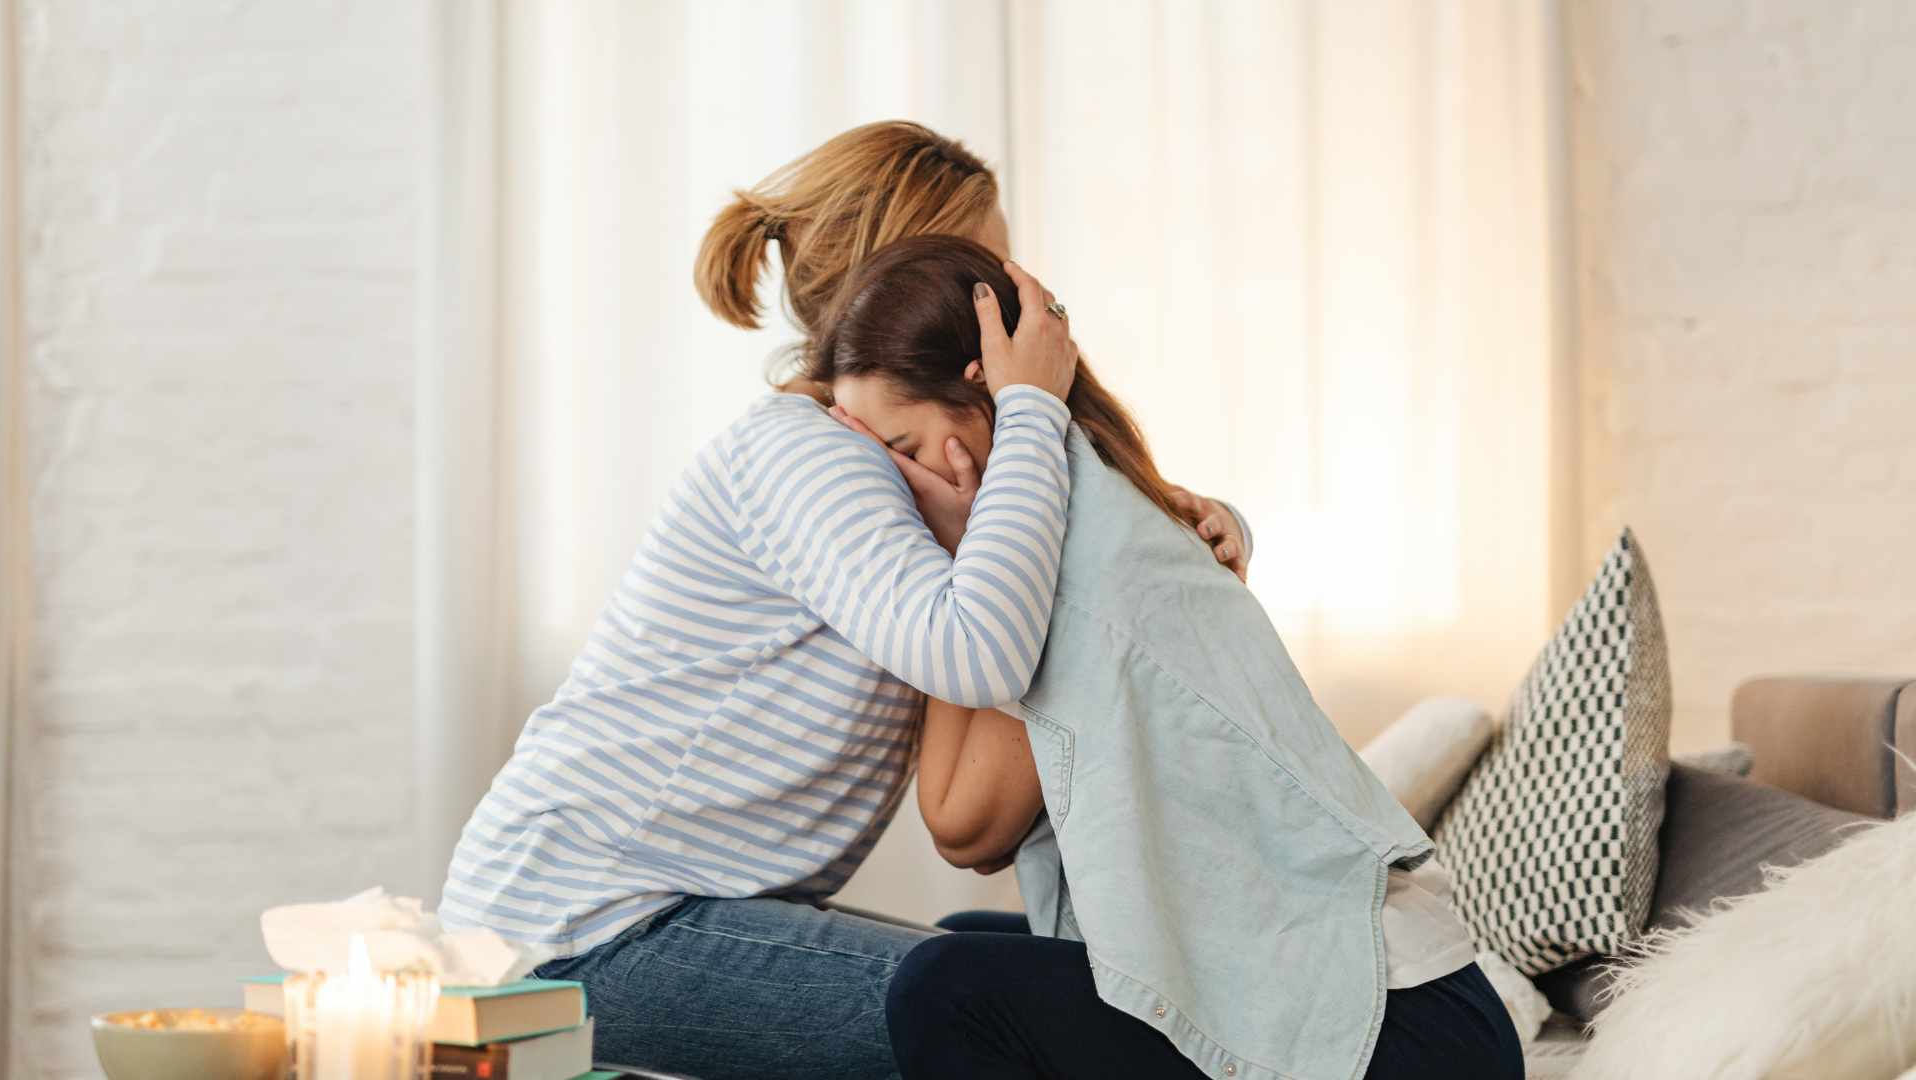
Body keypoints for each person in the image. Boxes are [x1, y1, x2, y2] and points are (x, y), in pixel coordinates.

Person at [437, 122, 1250, 1080]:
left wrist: (1193, 518)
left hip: (655, 911)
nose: (1021, 304)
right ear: (903, 281)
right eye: (989, 271)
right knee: (1009, 1020)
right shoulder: (806, 453)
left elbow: (1041, 586)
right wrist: (1032, 407)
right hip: (575, 930)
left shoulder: (889, 466)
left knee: (1009, 984)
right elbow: (981, 650)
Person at [810, 235, 1525, 1080]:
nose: (895, 484)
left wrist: (960, 560)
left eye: (904, 446)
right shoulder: (1075, 504)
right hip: (1379, 1010)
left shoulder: (1079, 550)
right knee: (968, 944)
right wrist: (968, 566)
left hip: (1400, 1032)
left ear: (986, 395)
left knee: (945, 986)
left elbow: (966, 827)